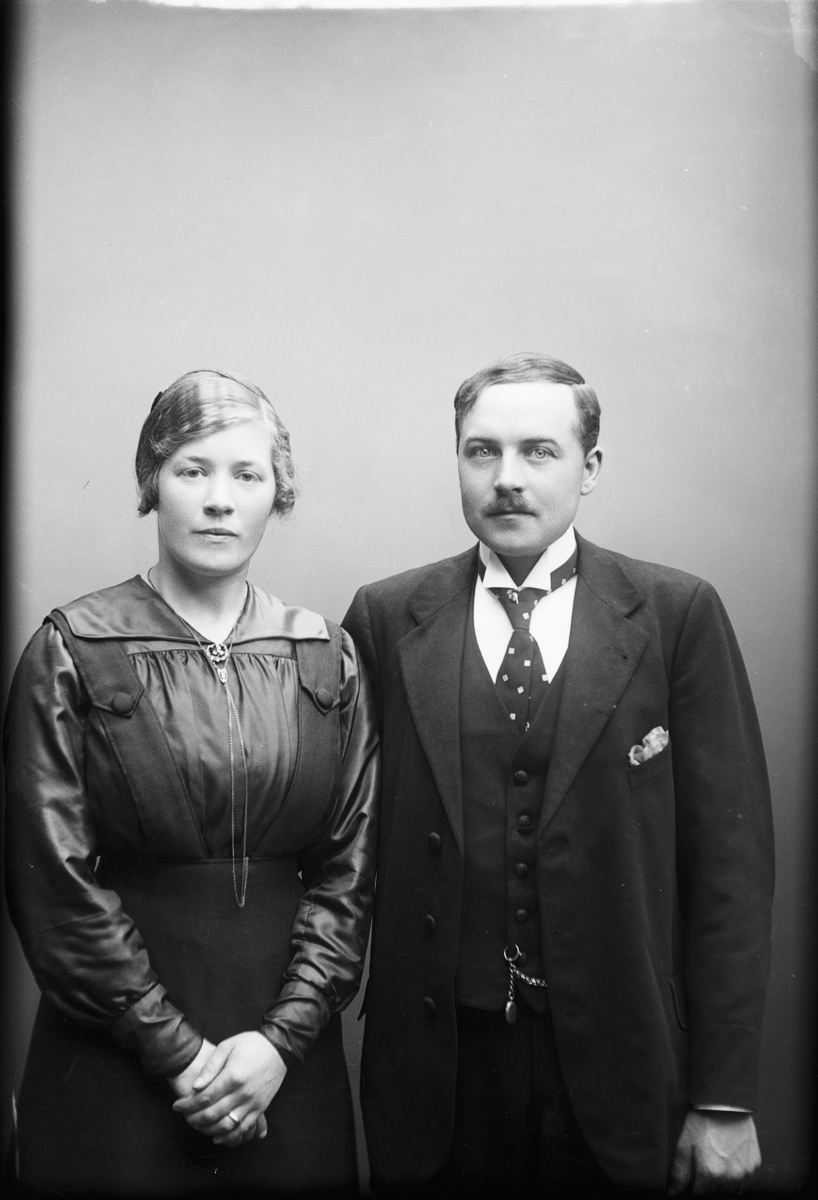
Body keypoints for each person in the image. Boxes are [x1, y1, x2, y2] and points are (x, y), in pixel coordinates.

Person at [342, 352, 774, 1193]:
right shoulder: (386, 617)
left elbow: (733, 870)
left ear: (591, 467)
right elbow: (344, 848)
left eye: (539, 451)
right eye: (482, 451)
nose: (507, 478)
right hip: (442, 1077)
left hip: (618, 1067)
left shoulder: (676, 615)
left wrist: (723, 1098)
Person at [4, 369, 379, 1196]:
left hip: (285, 1062)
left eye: (246, 475)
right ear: (152, 482)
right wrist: (178, 1054)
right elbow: (52, 881)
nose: (219, 500)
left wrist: (279, 1043)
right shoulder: (72, 649)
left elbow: (350, 874)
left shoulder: (328, 656)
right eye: (192, 470)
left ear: (277, 492)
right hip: (115, 1052)